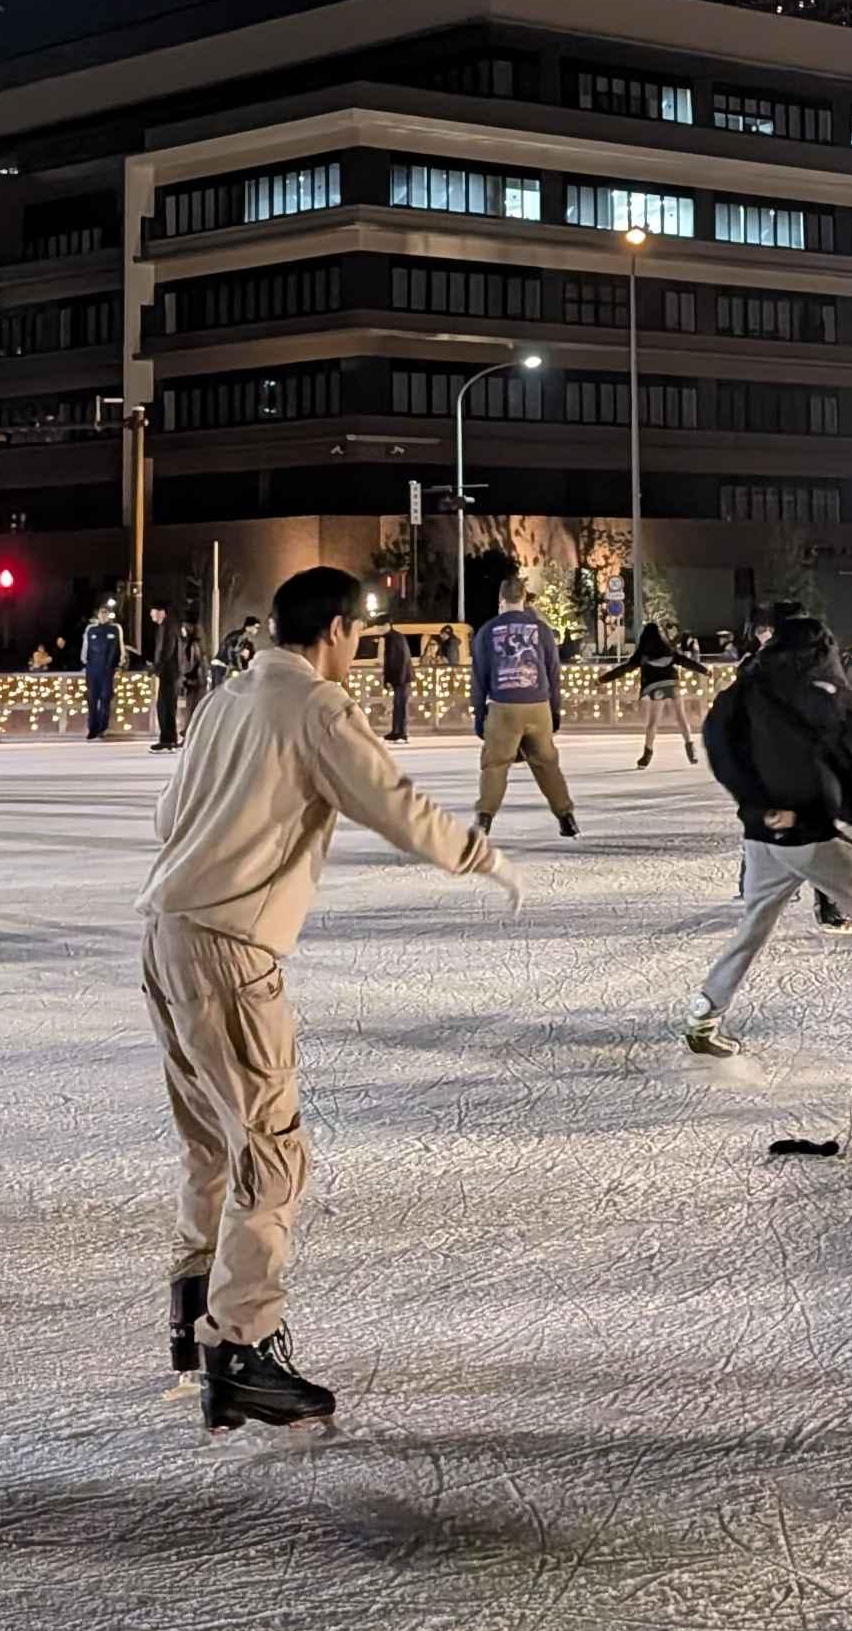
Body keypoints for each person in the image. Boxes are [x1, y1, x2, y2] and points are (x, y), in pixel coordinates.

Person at [139, 565, 518, 1433]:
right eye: (359, 635)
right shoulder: (315, 705)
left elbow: (168, 816)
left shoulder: (226, 698)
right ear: (338, 630)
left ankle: (194, 1308)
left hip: (164, 937)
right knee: (271, 1153)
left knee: (212, 1143)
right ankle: (240, 1348)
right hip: (230, 950)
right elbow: (390, 801)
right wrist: (477, 855)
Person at [686, 608, 852, 1073]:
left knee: (755, 924)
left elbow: (718, 743)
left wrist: (756, 805)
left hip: (762, 835)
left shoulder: (745, 689)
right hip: (808, 833)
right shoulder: (831, 694)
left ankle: (705, 1011)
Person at [469, 577, 579, 840]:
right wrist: (554, 711)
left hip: (503, 706)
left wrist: (479, 715)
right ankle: (566, 818)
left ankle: (484, 819)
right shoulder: (541, 630)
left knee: (495, 764)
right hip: (537, 705)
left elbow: (479, 677)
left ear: (500, 600)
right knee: (547, 764)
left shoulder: (487, 631)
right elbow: (553, 673)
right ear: (524, 598)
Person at [599, 616, 700, 767]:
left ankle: (647, 754)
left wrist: (602, 679)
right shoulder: (668, 650)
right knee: (681, 717)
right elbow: (687, 662)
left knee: (653, 722)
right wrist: (705, 671)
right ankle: (691, 749)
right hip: (673, 685)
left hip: (656, 688)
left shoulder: (642, 655)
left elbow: (623, 669)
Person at [82, 602, 126, 741]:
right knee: (92, 698)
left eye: (106, 612)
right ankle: (92, 729)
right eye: (101, 612)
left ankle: (102, 728)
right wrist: (85, 663)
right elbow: (85, 648)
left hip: (107, 669)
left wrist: (120, 663)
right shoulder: (91, 629)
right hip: (93, 669)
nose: (103, 615)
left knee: (105, 698)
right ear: (98, 614)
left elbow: (120, 647)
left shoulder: (115, 628)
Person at [150, 602, 189, 751]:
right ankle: (167, 738)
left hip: (170, 673)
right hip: (169, 672)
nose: (151, 614)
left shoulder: (168, 627)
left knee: (166, 706)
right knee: (164, 705)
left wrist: (158, 667)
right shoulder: (167, 627)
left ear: (162, 613)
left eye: (153, 611)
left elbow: (167, 650)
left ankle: (168, 740)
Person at [378, 614, 415, 744]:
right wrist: (388, 679)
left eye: (380, 626)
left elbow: (401, 659)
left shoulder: (395, 638)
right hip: (399, 677)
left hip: (402, 677)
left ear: (387, 625)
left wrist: (396, 679)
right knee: (397, 705)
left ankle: (401, 732)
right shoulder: (391, 638)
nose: (378, 629)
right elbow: (390, 661)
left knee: (401, 705)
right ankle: (396, 731)